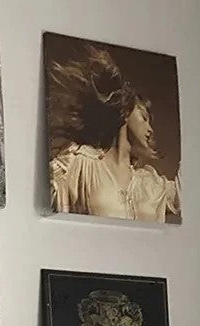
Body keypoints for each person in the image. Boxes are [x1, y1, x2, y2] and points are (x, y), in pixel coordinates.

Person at [48, 46, 180, 222]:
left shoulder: (150, 185)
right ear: (126, 112)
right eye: (144, 118)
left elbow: (185, 192)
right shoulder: (80, 163)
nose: (150, 129)